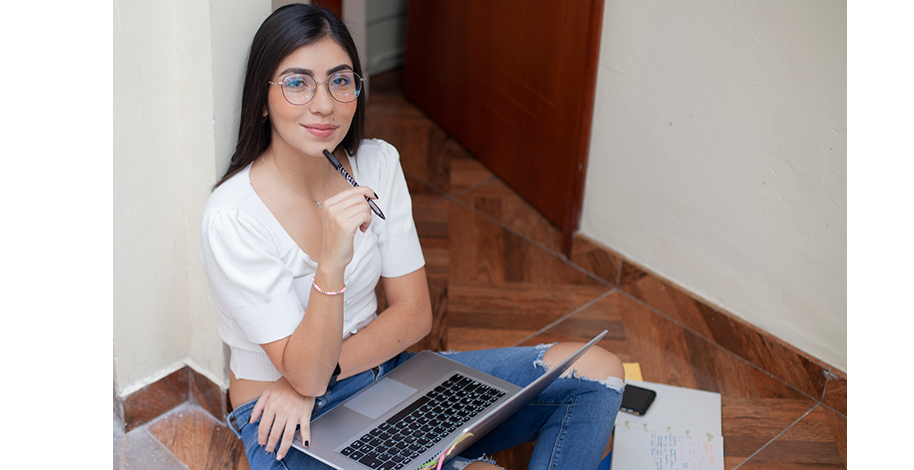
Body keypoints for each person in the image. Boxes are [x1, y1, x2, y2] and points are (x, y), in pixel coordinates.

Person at [198, 4, 625, 469]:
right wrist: (332, 259)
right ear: (262, 100)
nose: (324, 104)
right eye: (297, 83)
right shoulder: (232, 218)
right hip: (286, 423)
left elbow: (415, 313)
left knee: (597, 373)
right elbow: (304, 371)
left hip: (382, 376)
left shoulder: (377, 163)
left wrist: (323, 375)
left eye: (340, 81)